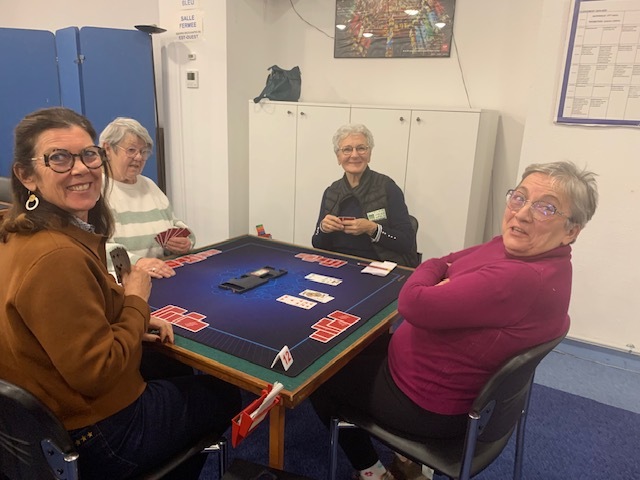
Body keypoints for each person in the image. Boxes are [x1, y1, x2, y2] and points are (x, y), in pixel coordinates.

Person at [310, 161, 598, 480]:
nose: (522, 214)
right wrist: (439, 271)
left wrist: (439, 277)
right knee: (345, 348)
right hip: (431, 370)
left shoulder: (521, 278)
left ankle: (372, 471)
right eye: (519, 197)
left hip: (425, 403)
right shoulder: (517, 248)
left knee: (318, 377)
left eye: (546, 208)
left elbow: (413, 301)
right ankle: (407, 460)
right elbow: (443, 260)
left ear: (571, 230)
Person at [0, 107, 241, 480]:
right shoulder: (57, 255)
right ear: (26, 175)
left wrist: (129, 319)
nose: (81, 169)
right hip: (95, 432)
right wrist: (136, 301)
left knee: (168, 366)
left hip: (43, 419)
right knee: (224, 393)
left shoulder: (18, 232)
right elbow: (98, 372)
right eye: (59, 158)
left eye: (87, 154)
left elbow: (67, 320)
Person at [312, 123, 419, 267]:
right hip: (338, 265)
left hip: (378, 267)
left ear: (369, 154)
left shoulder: (388, 188)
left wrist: (372, 229)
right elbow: (317, 244)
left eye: (361, 148)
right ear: (338, 157)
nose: (354, 155)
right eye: (347, 150)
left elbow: (406, 242)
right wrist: (323, 228)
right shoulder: (331, 191)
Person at [100, 117, 194, 279]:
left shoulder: (149, 185)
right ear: (107, 149)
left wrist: (185, 242)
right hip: (124, 282)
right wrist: (137, 262)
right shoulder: (95, 190)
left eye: (143, 152)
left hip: (161, 275)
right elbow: (94, 249)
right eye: (131, 150)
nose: (138, 157)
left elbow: (175, 224)